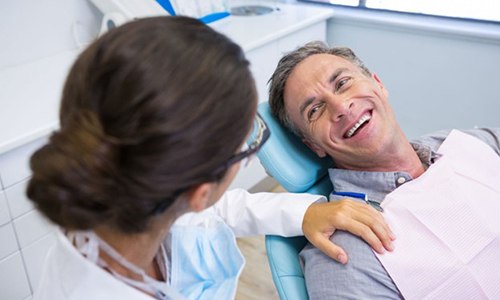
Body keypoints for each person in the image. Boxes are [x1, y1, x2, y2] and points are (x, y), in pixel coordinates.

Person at [26, 18, 395, 300]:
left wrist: (304, 212)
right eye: (249, 140)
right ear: (200, 192)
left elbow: (222, 212)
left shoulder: (134, 207)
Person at [268, 41, 500, 299]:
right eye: (315, 109)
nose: (342, 107)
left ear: (378, 84)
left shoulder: (463, 143)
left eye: (343, 83)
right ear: (313, 146)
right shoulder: (345, 257)